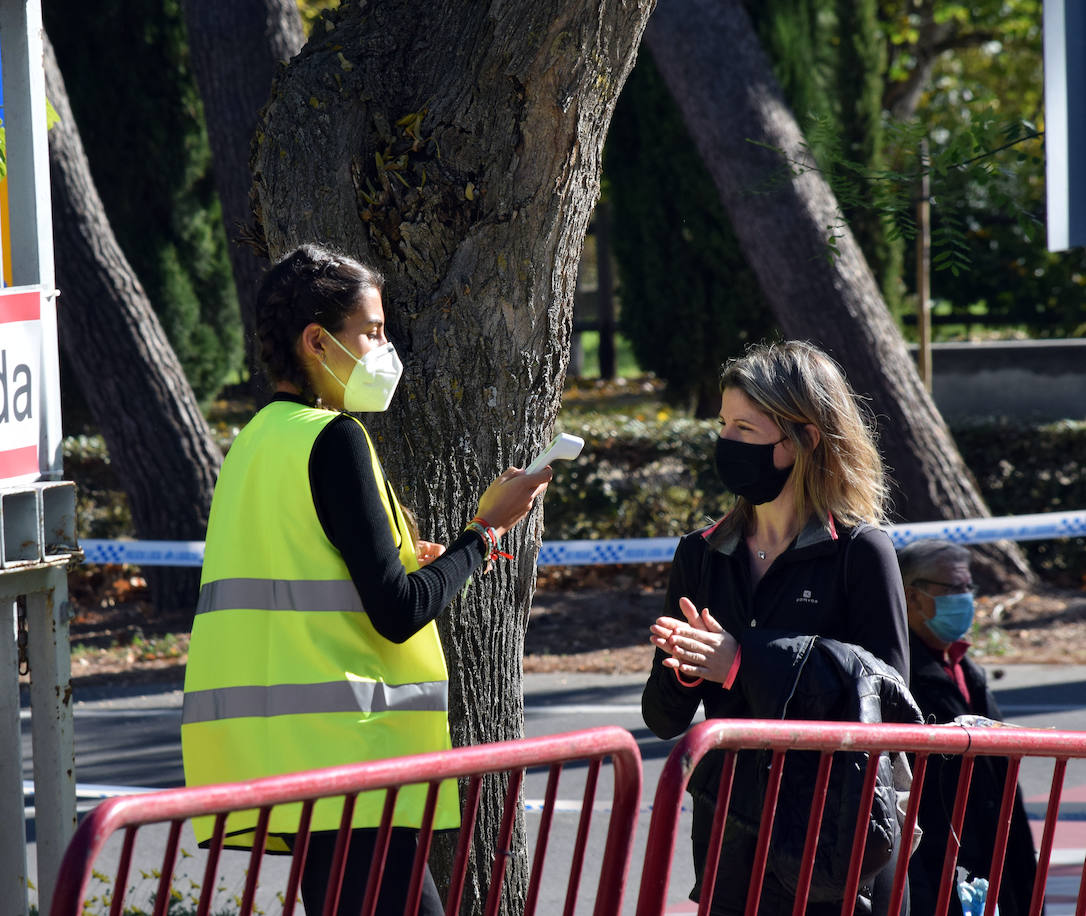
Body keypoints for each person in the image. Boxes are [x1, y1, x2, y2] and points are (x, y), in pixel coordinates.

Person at [180, 243, 552, 916]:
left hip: (293, 764)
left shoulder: (255, 444)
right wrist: (486, 532)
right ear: (317, 341)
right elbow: (397, 610)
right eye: (372, 333)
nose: (385, 350)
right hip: (355, 764)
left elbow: (318, 575)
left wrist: (424, 555)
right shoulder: (335, 440)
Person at [641, 339, 911, 915]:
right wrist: (687, 672)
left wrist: (743, 660)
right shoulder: (702, 553)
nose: (724, 442)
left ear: (804, 439)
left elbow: (889, 696)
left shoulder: (862, 551)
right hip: (732, 837)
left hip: (837, 837)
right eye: (723, 424)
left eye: (745, 427)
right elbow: (662, 719)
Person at [897, 539, 1041, 916]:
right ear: (912, 598)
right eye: (954, 589)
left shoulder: (965, 669)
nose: (966, 599)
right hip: (941, 870)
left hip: (999, 863)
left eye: (968, 588)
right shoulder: (901, 677)